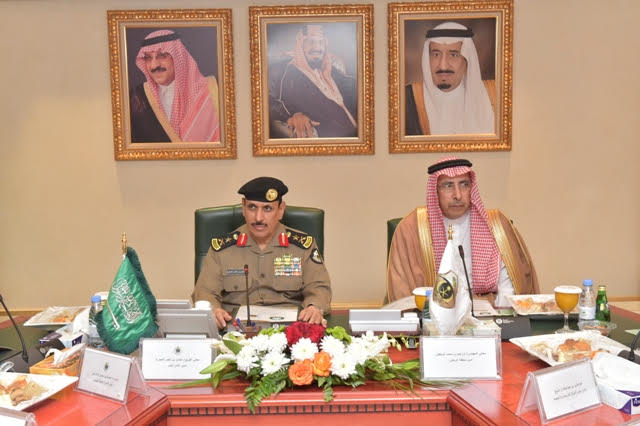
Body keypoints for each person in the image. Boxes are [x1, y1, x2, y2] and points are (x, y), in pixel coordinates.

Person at [387, 157, 539, 307]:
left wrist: (498, 314)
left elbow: (510, 287)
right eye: (448, 186)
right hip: (433, 313)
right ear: (435, 191)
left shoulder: (496, 225)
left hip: (490, 311)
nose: (457, 195)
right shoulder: (411, 229)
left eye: (464, 184)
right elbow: (402, 292)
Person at [193, 177, 331, 328]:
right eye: (252, 207)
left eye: (267, 209)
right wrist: (212, 310)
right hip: (236, 330)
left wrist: (314, 307)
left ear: (280, 210)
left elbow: (319, 287)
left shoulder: (302, 246)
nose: (258, 218)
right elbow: (205, 292)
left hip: (289, 329)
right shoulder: (222, 248)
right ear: (243, 207)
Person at [405, 22, 496, 135]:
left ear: (467, 59)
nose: (443, 66)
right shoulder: (407, 99)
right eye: (436, 54)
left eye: (453, 55)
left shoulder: (494, 95)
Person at [130, 30, 220, 142]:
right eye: (148, 58)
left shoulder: (213, 90)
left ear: (178, 57)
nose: (154, 65)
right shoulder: (136, 98)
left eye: (162, 56)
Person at [269, 24, 357, 138]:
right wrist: (293, 115)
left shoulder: (330, 70)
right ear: (300, 45)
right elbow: (270, 102)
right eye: (310, 42)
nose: (317, 48)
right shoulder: (288, 74)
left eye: (321, 42)